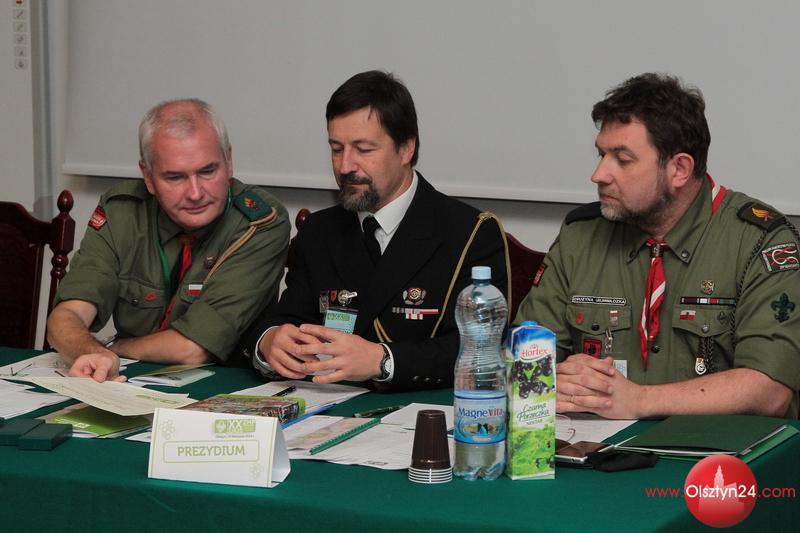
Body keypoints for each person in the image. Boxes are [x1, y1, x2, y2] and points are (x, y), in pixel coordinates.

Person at [516, 73, 800, 418]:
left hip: (713, 449)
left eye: (622, 159)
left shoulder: (759, 241)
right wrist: (556, 380)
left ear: (679, 169)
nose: (599, 174)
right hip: (596, 444)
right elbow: (524, 358)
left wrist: (638, 400)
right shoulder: (581, 235)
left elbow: (770, 390)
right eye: (601, 154)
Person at [243, 70, 508, 391]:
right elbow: (286, 318)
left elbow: (481, 350)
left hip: (422, 406)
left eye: (364, 150)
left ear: (406, 148)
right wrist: (269, 341)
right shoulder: (319, 230)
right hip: (326, 402)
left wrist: (383, 361)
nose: (345, 166)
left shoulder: (469, 232)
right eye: (336, 149)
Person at [47, 98, 290, 382]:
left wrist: (115, 349)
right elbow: (65, 317)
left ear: (229, 161)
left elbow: (193, 349)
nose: (196, 193)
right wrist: (91, 352)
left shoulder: (258, 222)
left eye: (208, 171)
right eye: (175, 177)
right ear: (148, 177)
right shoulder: (123, 212)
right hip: (131, 382)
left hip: (224, 384)